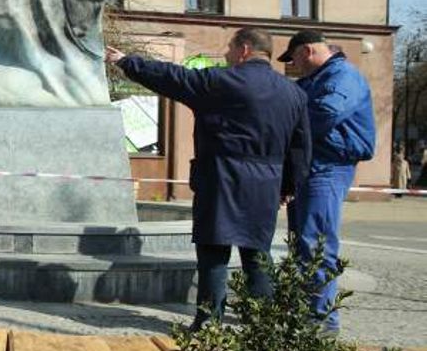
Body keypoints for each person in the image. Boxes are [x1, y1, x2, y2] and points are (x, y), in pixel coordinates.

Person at [106, 27, 311, 330]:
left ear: (244, 49)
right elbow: (301, 147)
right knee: (258, 254)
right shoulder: (294, 93)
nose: (226, 54)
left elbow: (173, 77)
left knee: (214, 253)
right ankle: (265, 325)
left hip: (221, 178)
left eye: (230, 47)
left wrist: (126, 61)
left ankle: (209, 323)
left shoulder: (220, 82)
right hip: (265, 182)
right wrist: (288, 186)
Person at [279, 29, 376, 332]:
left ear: (307, 51)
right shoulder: (316, 79)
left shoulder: (342, 76)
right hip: (310, 166)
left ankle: (320, 322)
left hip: (328, 167)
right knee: (302, 244)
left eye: (293, 58)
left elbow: (323, 114)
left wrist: (284, 125)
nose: (292, 65)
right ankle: (303, 312)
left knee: (316, 243)